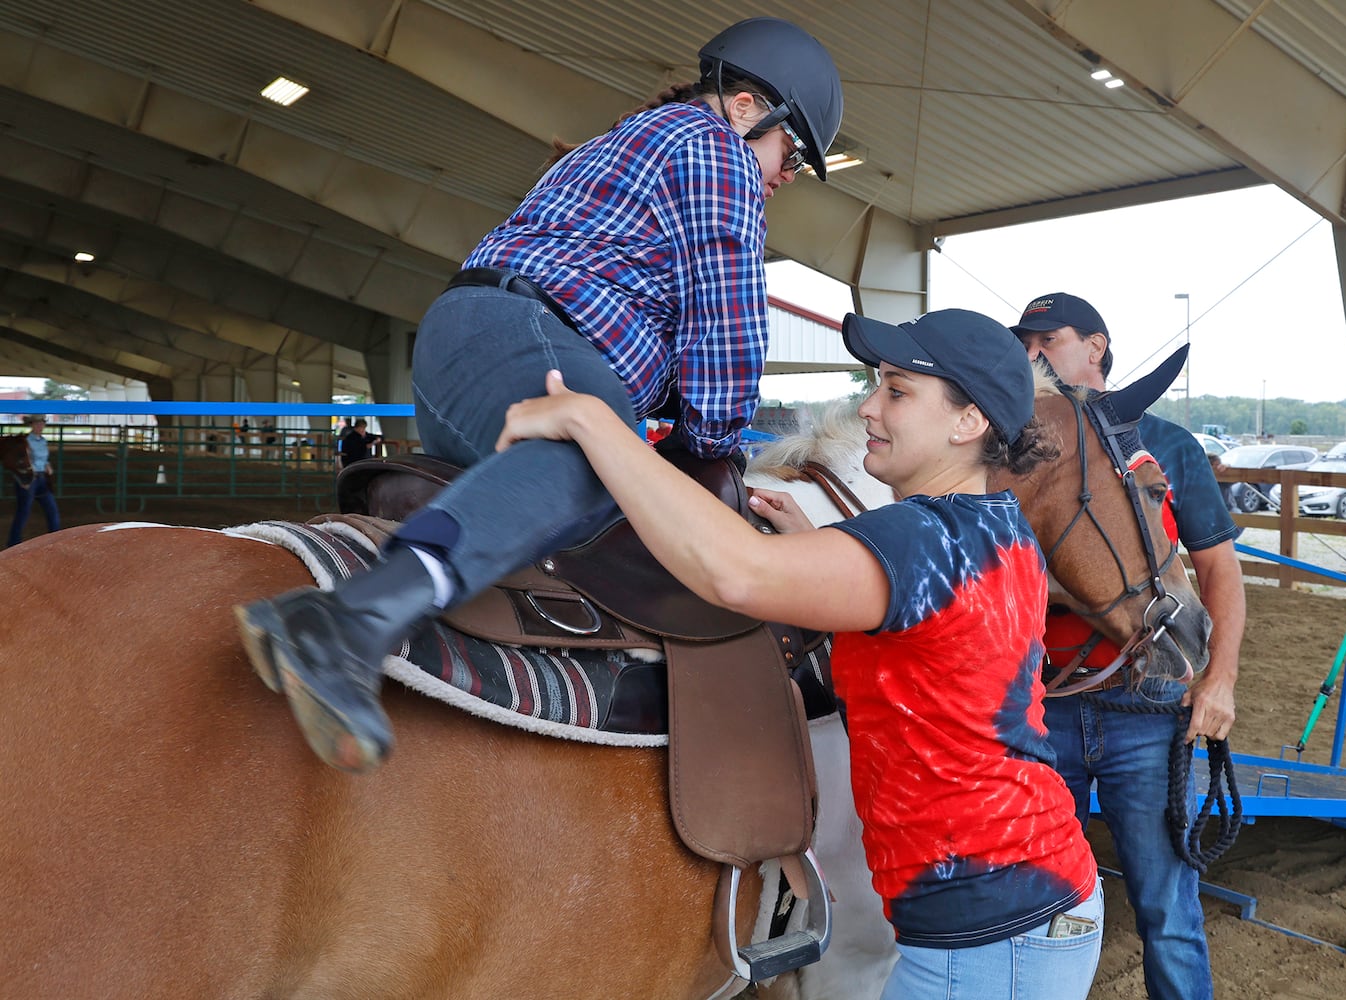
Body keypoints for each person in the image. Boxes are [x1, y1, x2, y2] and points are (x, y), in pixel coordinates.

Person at [237, 17, 846, 773]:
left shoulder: (625, 142)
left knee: (587, 489)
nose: (787, 175)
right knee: (604, 454)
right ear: (749, 107)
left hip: (486, 345)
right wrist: (708, 451)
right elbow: (726, 324)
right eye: (791, 152)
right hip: (532, 337)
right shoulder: (711, 146)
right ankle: (350, 621)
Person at [498, 309, 1102, 1000]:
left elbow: (737, 574)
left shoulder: (919, 540)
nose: (868, 407)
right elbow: (940, 647)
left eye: (898, 391)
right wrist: (826, 541)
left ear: (967, 424)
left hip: (993, 929)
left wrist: (596, 425)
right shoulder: (996, 528)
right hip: (1019, 898)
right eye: (875, 385)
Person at [1011, 292, 1245, 1000]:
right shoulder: (1013, 448)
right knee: (1029, 904)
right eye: (1023, 345)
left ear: (1096, 347)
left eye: (1047, 341)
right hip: (1038, 704)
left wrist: (1219, 679)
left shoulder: (1167, 444)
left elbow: (1217, 571)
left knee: (1166, 909)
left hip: (1147, 706)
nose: (1032, 356)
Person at [7, 415, 61, 548]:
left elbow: (42, 459)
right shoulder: (24, 442)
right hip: (28, 480)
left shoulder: (43, 441)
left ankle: (55, 540)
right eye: (37, 424)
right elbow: (15, 462)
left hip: (42, 479)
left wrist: (47, 465)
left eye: (42, 423)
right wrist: (21, 480)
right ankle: (13, 543)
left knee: (52, 510)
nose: (39, 426)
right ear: (31, 425)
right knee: (23, 512)